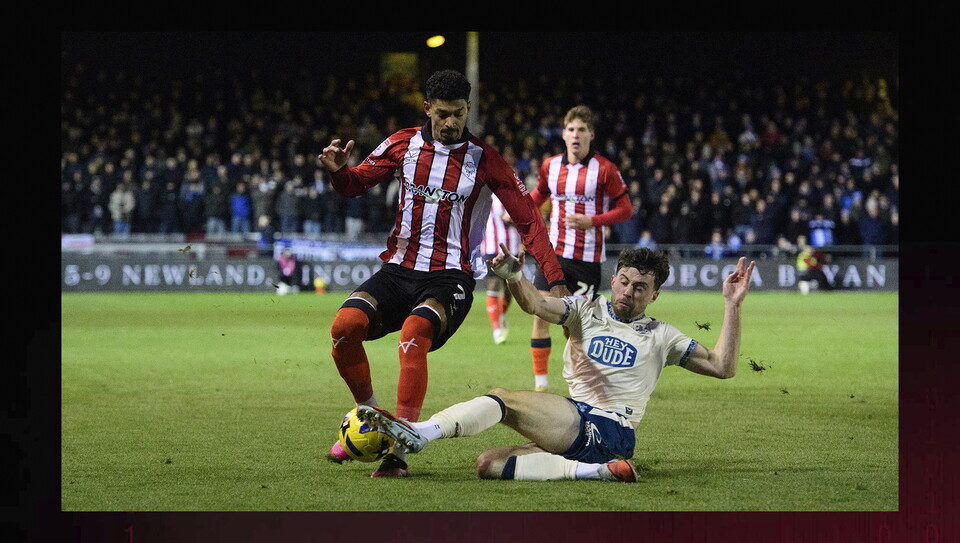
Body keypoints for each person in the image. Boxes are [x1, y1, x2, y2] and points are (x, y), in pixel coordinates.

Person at [318, 69, 568, 478]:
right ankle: (371, 417)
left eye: (459, 113)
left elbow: (529, 220)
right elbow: (355, 184)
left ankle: (398, 450)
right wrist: (339, 172)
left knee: (413, 334)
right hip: (398, 270)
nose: (451, 122)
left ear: (468, 109)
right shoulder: (403, 144)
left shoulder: (485, 161)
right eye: (443, 114)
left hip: (450, 277)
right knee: (344, 328)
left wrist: (554, 279)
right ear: (427, 108)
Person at [358, 244, 756, 482]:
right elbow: (535, 303)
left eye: (641, 288)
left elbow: (723, 365)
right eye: (624, 281)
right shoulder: (586, 309)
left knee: (503, 399)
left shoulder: (662, 335)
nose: (628, 292)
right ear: (614, 278)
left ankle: (421, 433)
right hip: (579, 429)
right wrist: (515, 274)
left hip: (608, 426)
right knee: (488, 464)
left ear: (654, 296)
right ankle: (599, 471)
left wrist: (731, 306)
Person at [526, 105, 633, 392]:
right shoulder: (551, 166)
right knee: (540, 310)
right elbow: (540, 194)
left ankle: (587, 378)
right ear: (563, 134)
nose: (576, 135)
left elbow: (626, 209)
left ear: (590, 135)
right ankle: (541, 386)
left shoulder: (605, 169)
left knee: (574, 325)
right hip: (552, 254)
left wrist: (592, 221)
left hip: (586, 258)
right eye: (571, 129)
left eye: (582, 130)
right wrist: (520, 210)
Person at [481, 194, 520, 345]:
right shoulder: (484, 195)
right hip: (491, 246)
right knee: (493, 285)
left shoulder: (514, 196)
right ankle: (496, 329)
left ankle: (501, 314)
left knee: (510, 289)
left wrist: (513, 218)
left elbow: (527, 218)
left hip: (513, 247)